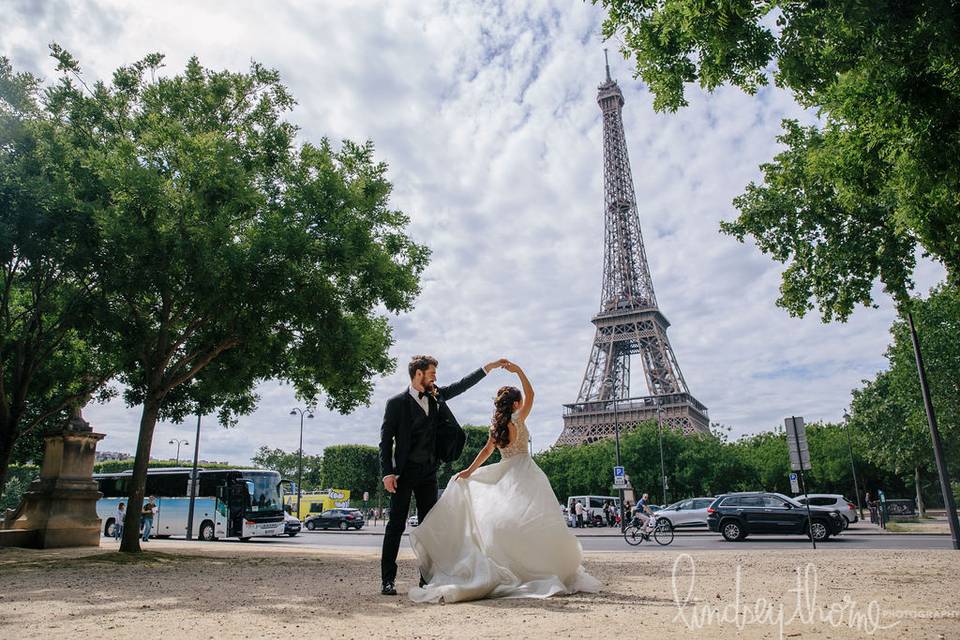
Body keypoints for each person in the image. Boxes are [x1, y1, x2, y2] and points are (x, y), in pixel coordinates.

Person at [408, 360, 601, 603]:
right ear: (517, 403)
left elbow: (487, 452)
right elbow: (532, 392)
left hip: (506, 473)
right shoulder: (518, 419)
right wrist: (519, 370)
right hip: (526, 471)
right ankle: (535, 565)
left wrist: (468, 471)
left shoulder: (497, 426)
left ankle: (512, 565)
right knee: (536, 521)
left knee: (509, 521)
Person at [379, 355, 508, 596]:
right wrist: (387, 473)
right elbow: (385, 441)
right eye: (432, 373)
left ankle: (427, 578)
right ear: (418, 373)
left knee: (431, 528)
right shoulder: (396, 403)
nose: (435, 378)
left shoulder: (436, 397)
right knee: (395, 526)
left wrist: (487, 368)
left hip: (429, 471)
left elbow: (461, 385)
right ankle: (388, 580)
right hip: (404, 473)